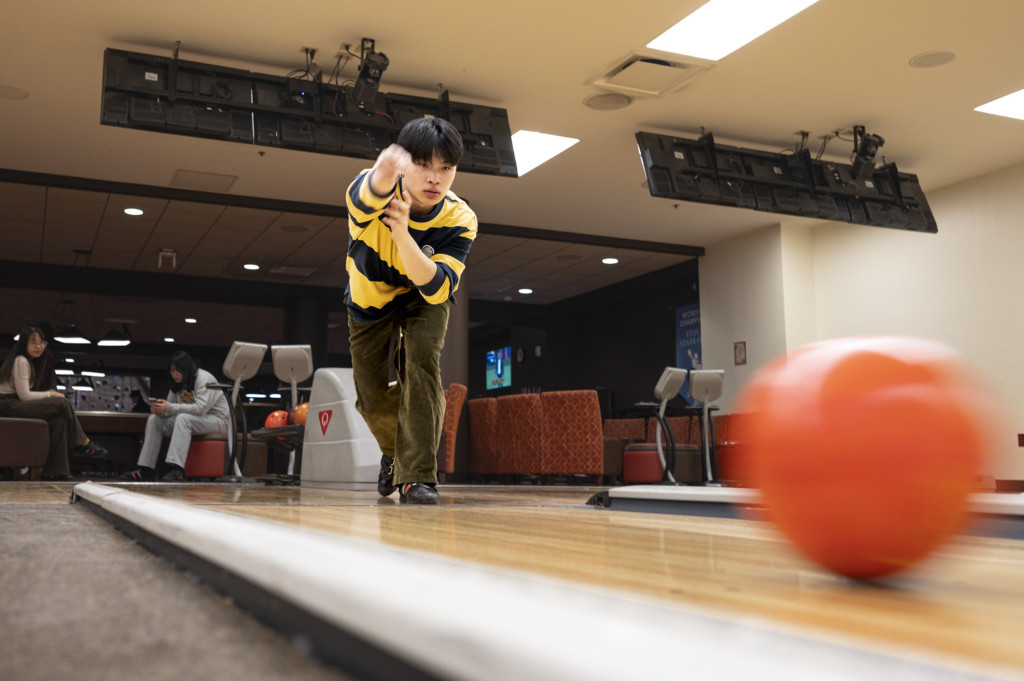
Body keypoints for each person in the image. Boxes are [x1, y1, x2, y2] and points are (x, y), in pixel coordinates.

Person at [345, 116, 477, 505]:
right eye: (424, 165)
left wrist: (402, 233)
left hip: (423, 296)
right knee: (370, 395)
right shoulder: (372, 187)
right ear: (406, 165)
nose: (435, 178)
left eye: (446, 168)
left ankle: (418, 477)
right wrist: (384, 172)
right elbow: (363, 198)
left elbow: (436, 289)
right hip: (370, 295)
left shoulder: (460, 218)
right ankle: (395, 454)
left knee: (421, 365)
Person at [0, 324, 107, 480]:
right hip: (6, 405)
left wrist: (49, 395)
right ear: (24, 343)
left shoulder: (31, 361)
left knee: (59, 420)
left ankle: (56, 472)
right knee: (62, 403)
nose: (38, 346)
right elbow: (25, 396)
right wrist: (50, 394)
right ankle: (82, 443)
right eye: (33, 342)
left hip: (13, 403)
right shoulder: (21, 360)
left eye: (41, 342)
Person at [121, 351, 230, 482]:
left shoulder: (204, 378)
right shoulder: (177, 383)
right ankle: (146, 470)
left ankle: (177, 470)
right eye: (172, 370)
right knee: (154, 420)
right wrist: (161, 409)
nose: (174, 374)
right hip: (196, 420)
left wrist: (170, 408)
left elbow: (201, 409)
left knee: (183, 418)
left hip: (218, 420)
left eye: (177, 370)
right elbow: (171, 408)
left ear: (186, 369)